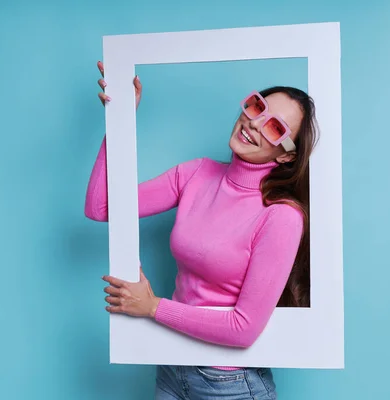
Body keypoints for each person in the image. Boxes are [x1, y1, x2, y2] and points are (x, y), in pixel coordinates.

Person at [85, 61, 319, 399]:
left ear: (285, 157)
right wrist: (119, 120)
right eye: (257, 106)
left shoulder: (281, 216)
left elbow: (244, 329)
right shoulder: (196, 174)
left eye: (274, 128)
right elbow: (102, 207)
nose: (253, 123)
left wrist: (153, 307)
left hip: (229, 383)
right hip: (171, 363)